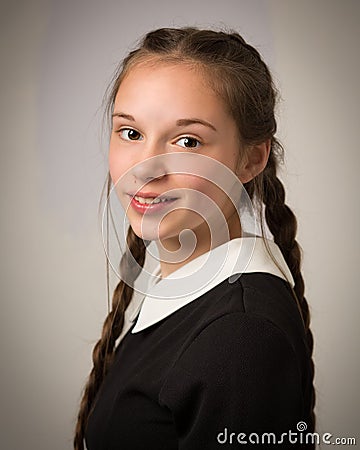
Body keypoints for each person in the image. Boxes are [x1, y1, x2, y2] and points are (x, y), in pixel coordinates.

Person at [74, 27, 316, 449]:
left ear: (251, 159)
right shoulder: (186, 296)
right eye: (130, 133)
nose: (145, 168)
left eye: (188, 141)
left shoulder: (241, 335)